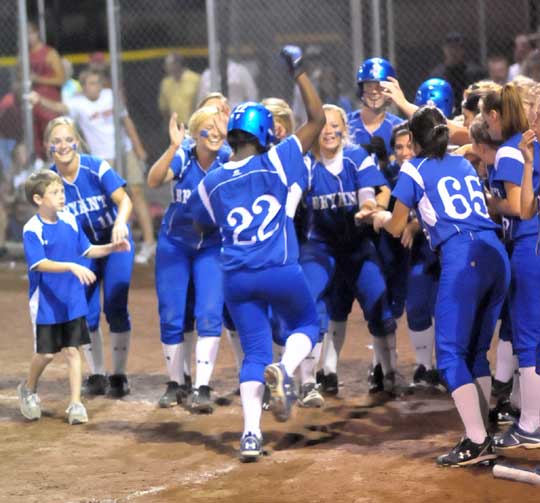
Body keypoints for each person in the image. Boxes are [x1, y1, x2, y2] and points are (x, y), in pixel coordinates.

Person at [188, 45, 325, 460]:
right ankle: (286, 371)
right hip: (280, 267)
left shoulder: (209, 181)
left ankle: (250, 435)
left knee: (254, 351)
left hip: (238, 276)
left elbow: (202, 222)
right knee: (307, 323)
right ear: (264, 134)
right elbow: (317, 120)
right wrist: (298, 71)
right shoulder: (280, 159)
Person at [370, 105, 510, 466]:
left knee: (448, 356)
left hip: (464, 256)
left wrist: (380, 216)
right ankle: (481, 435)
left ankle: (477, 440)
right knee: (476, 352)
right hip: (495, 253)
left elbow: (398, 225)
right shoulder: (463, 163)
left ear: (414, 142)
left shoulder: (413, 167)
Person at [18, 169, 130, 424]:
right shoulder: (32, 229)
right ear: (38, 199)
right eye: (54, 192)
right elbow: (39, 264)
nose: (61, 196)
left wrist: (112, 248)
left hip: (72, 298)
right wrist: (70, 265)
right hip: (46, 301)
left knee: (72, 350)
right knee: (46, 354)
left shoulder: (69, 219)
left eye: (61, 191)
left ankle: (76, 403)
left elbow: (87, 249)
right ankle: (28, 389)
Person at [44, 116, 134, 398]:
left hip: (114, 240)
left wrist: (120, 222)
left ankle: (118, 375)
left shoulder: (95, 167)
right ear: (48, 146)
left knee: (116, 306)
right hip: (83, 248)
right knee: (86, 313)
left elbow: (125, 200)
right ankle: (97, 374)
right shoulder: (49, 181)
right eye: (56, 141)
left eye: (68, 139)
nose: (63, 145)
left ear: (77, 141)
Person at [147, 106, 230, 412]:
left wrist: (230, 131)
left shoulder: (227, 159)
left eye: (219, 129)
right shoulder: (184, 155)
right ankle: (175, 383)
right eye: (208, 129)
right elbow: (154, 180)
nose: (215, 135)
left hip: (212, 245)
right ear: (195, 134)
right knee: (171, 314)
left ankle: (202, 387)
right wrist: (172, 146)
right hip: (175, 244)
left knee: (209, 313)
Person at [29, 68, 156, 265]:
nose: (95, 87)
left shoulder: (110, 96)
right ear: (83, 87)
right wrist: (39, 100)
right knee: (105, 201)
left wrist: (138, 147)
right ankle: (100, 241)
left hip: (124, 150)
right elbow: (59, 108)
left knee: (136, 193)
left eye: (97, 82)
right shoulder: (78, 103)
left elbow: (126, 121)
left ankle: (148, 242)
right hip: (102, 156)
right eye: (90, 83)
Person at [481, 83, 540, 450]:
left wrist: (489, 201)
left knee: (529, 338)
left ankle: (531, 424)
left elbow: (520, 210)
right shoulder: (528, 150)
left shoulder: (515, 149)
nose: (533, 112)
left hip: (530, 246)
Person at [25, 21, 65, 160]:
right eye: (26, 34)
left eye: (31, 33)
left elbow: (60, 79)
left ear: (37, 34)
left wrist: (38, 79)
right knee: (38, 145)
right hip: (32, 105)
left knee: (53, 138)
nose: (29, 37)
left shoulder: (49, 53)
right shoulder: (25, 56)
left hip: (49, 104)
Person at [429, 31, 484, 115]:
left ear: (463, 50)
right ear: (444, 49)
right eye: (450, 47)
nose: (453, 51)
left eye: (457, 48)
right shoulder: (437, 75)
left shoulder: (473, 72)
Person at [158, 53, 201, 127]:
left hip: (193, 123)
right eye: (166, 65)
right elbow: (164, 106)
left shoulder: (195, 79)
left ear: (178, 64)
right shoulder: (166, 83)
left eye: (170, 64)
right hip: (175, 124)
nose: (167, 67)